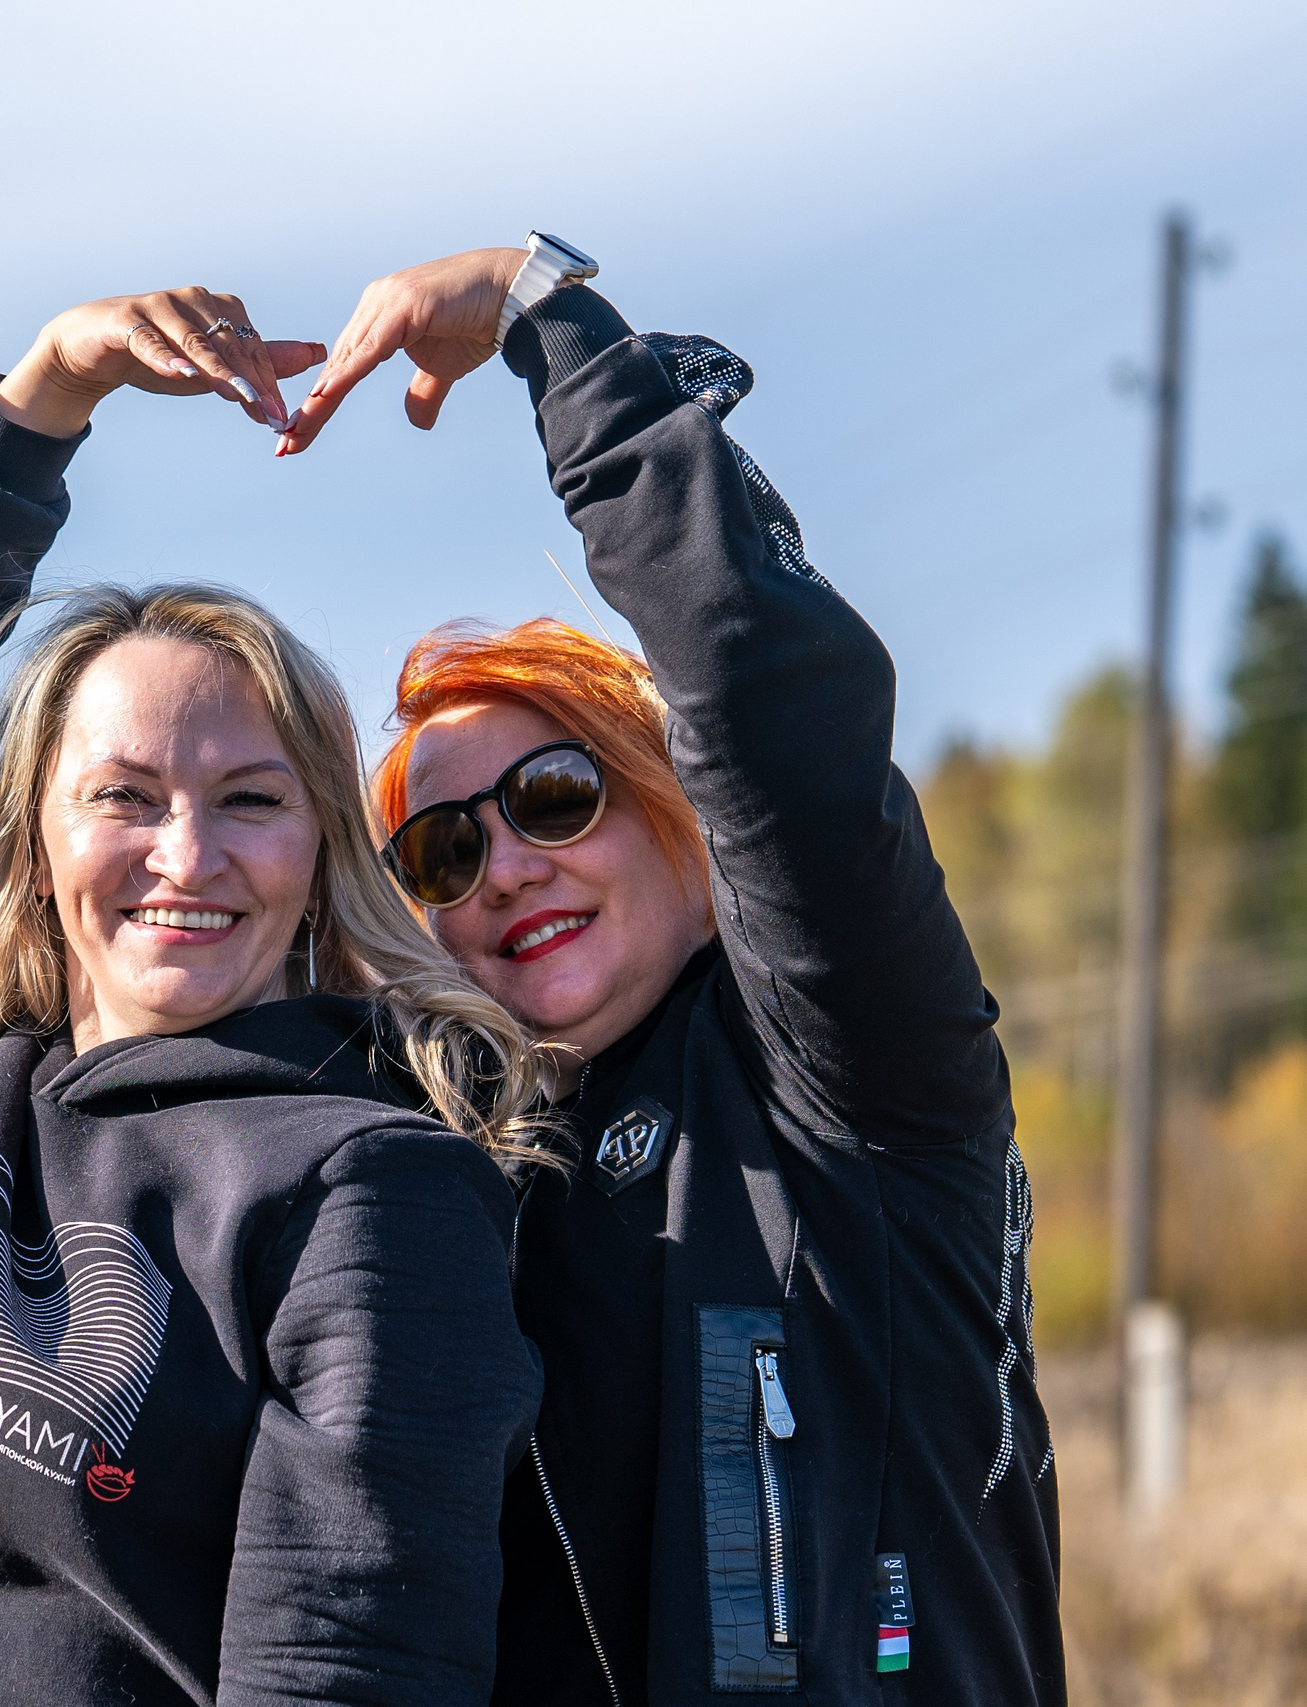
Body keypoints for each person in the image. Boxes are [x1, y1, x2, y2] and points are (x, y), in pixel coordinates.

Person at [277, 242, 1065, 1705]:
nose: (504, 865)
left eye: (557, 796)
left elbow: (770, 699)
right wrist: (31, 425)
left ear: (679, 808)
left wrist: (549, 321)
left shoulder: (851, 1082)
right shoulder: (427, 1182)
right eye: (440, 854)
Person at [0, 284, 549, 1707]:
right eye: (124, 795)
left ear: (319, 854)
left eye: (250, 798)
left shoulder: (374, 1191)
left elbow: (341, 1675)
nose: (187, 855)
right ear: (38, 844)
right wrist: (42, 403)